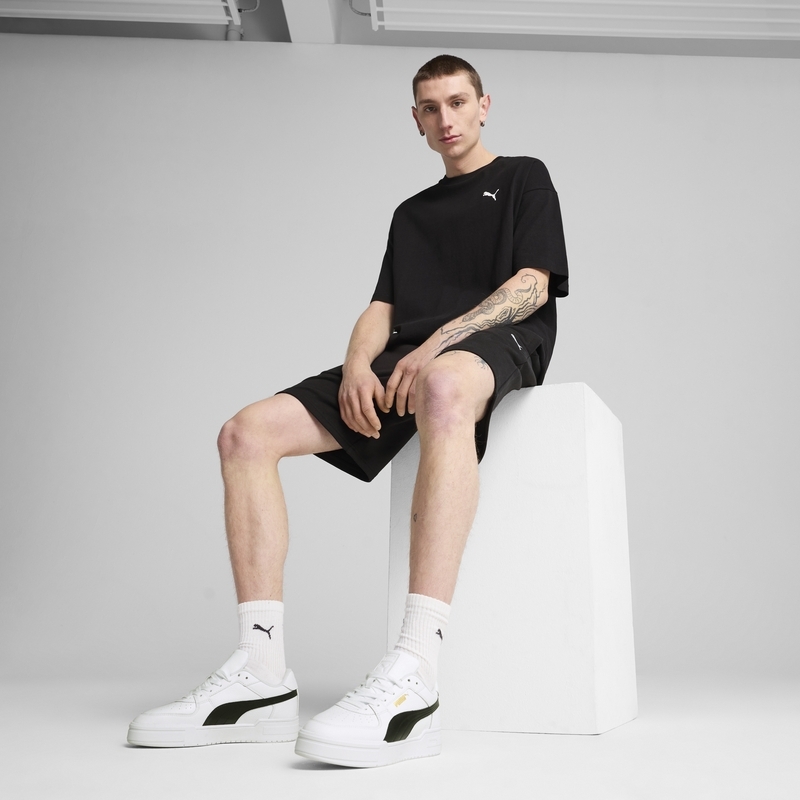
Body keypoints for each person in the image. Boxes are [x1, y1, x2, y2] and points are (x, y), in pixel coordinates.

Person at [127, 54, 569, 768]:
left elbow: (533, 285)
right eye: (430, 107)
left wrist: (437, 345)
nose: (446, 119)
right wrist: (360, 364)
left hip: (495, 341)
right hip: (408, 356)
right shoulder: (411, 214)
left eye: (458, 102)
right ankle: (260, 672)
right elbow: (381, 307)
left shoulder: (524, 176)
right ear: (415, 119)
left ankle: (416, 670)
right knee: (244, 434)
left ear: (484, 105)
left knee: (442, 386)